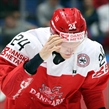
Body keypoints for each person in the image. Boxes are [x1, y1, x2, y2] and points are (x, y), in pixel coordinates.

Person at [0, 8, 109, 109]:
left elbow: (93, 92)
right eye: (65, 41)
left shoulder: (93, 50)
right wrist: (38, 59)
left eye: (77, 41)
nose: (70, 48)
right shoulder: (26, 43)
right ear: (53, 34)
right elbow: (9, 91)